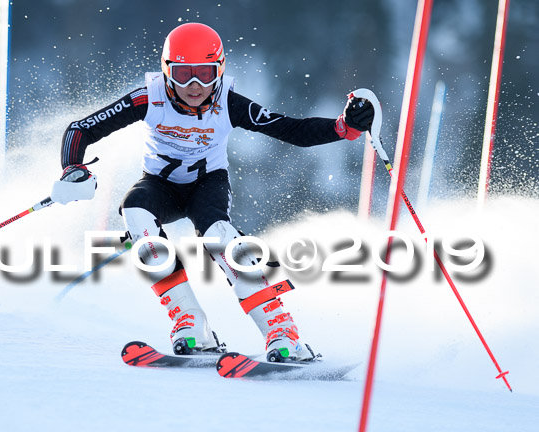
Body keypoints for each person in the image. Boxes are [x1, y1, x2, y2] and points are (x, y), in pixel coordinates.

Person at [51, 22, 374, 361]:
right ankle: (191, 324)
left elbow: (290, 129)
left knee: (219, 234)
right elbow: (81, 129)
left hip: (207, 185)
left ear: (219, 70)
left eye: (205, 73)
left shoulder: (228, 103)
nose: (194, 85)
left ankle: (283, 332)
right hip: (160, 185)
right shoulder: (149, 97)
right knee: (135, 210)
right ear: (166, 70)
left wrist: (345, 127)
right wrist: (74, 167)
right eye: (183, 73)